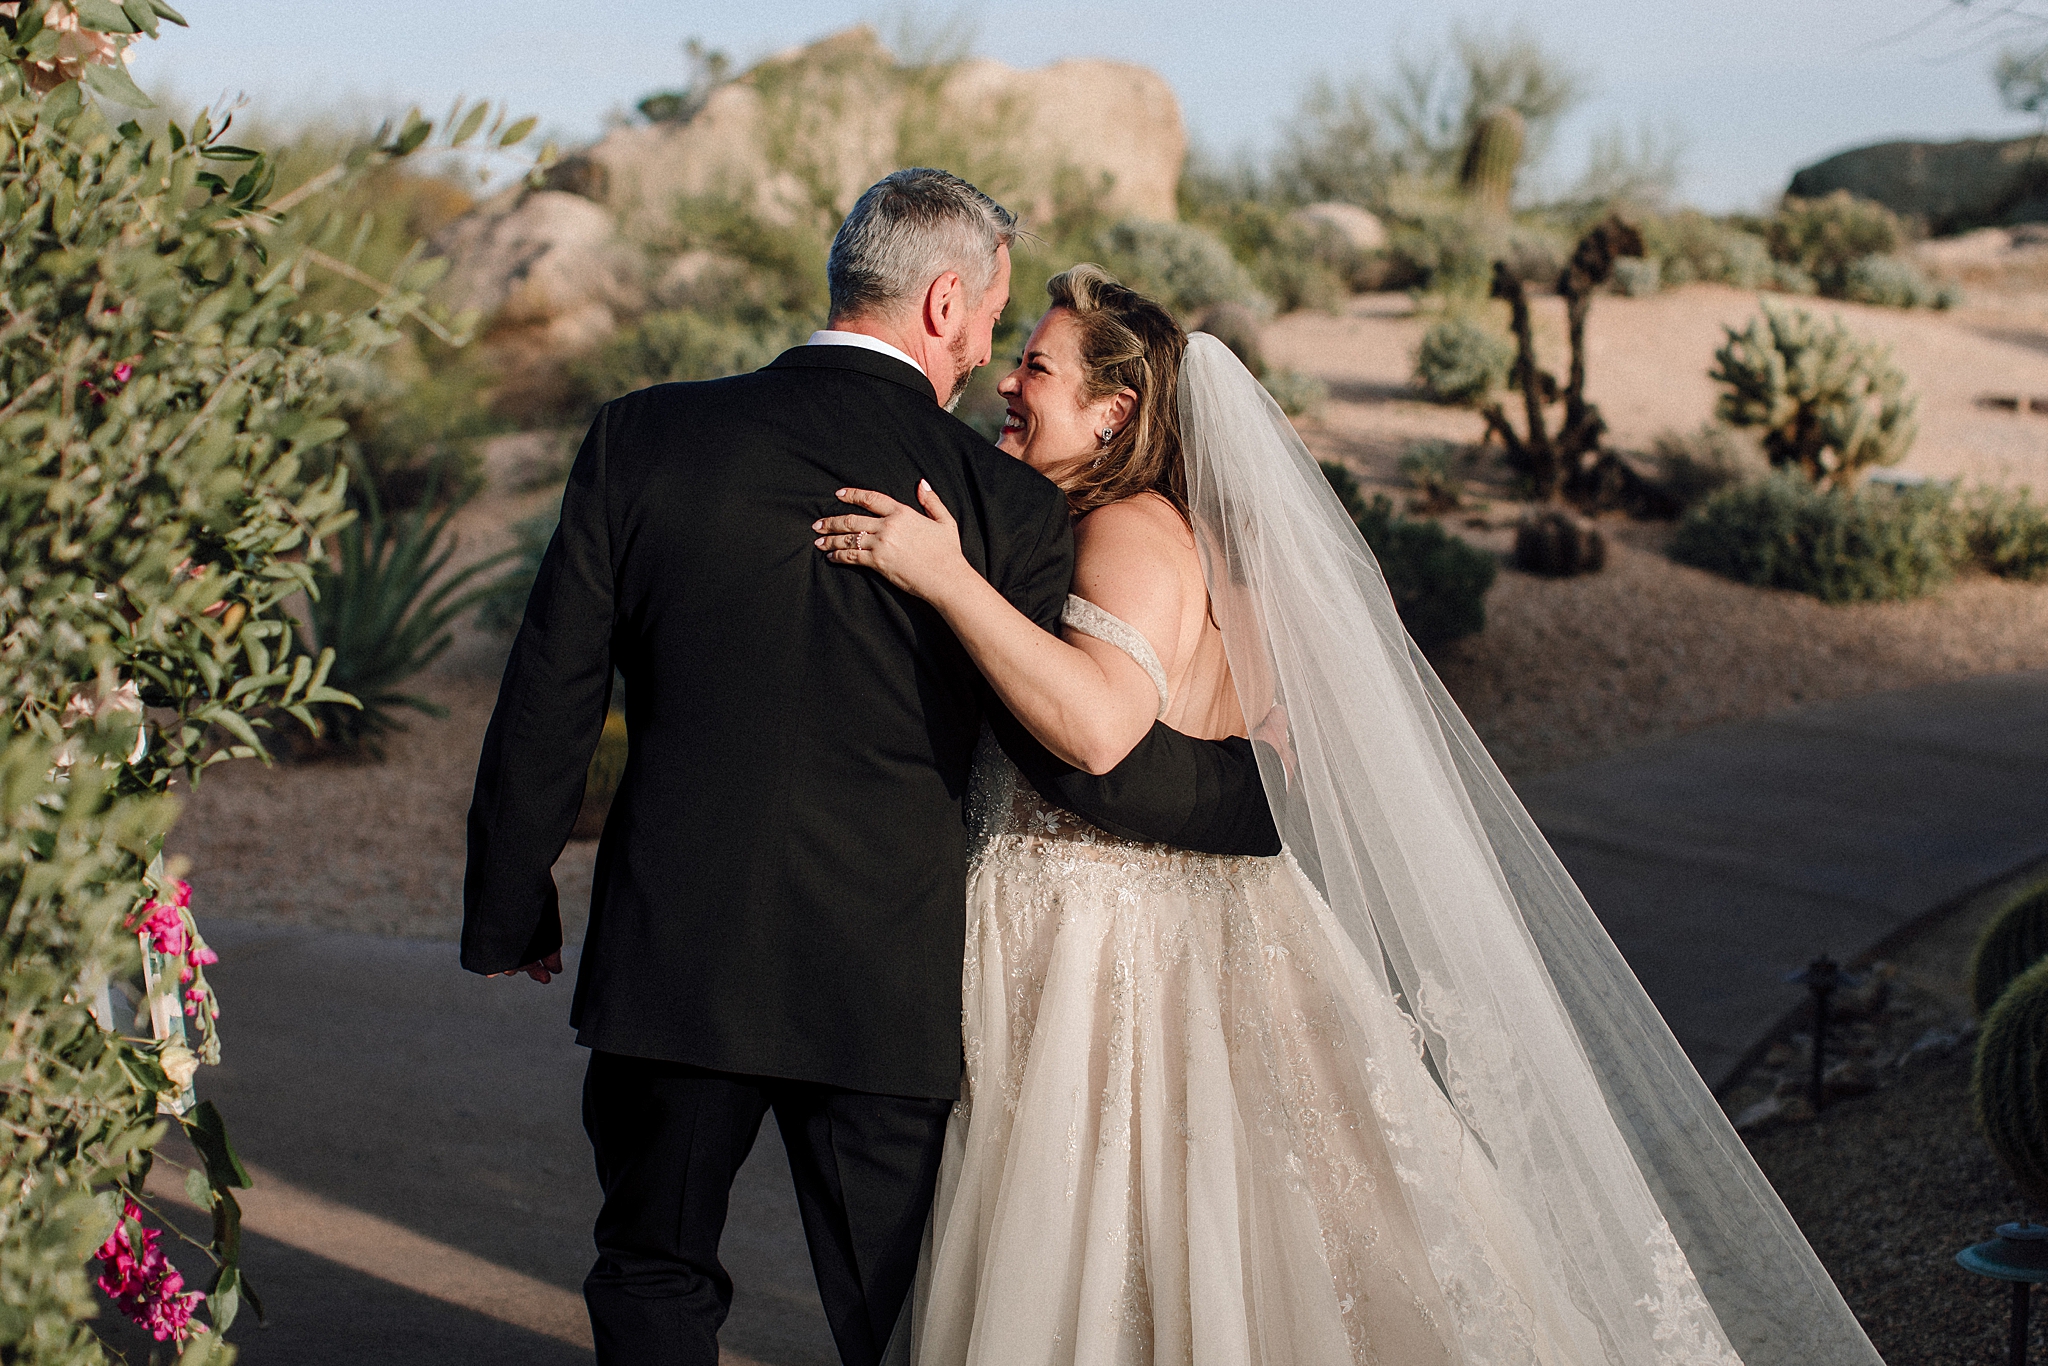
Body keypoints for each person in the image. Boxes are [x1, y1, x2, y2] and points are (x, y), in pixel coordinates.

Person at [812, 266, 1885, 1365]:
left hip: (1113, 949)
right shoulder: (1190, 535)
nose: (1006, 382)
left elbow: (1095, 730)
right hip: (1199, 921)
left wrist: (941, 578)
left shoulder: (1128, 532)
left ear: (1113, 410)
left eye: (1034, 367)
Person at [460, 171, 1275, 1366]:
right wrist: (1261, 805)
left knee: (651, 1266)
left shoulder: (642, 436)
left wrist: (511, 894)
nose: (994, 351)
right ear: (944, 302)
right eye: (994, 316)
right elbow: (1080, 761)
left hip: (676, 951)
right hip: (883, 974)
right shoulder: (1006, 504)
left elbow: (551, 691)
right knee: (899, 1309)